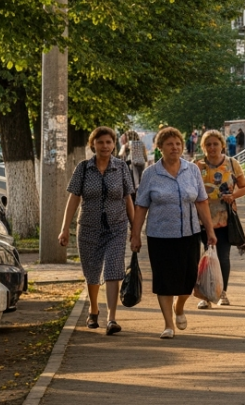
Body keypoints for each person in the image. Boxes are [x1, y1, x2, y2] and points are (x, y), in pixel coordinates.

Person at [130, 127, 217, 339]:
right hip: (160, 236)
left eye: (178, 144)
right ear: (160, 148)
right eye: (169, 144)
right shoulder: (151, 174)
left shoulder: (192, 170)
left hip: (189, 234)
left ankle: (179, 307)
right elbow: (141, 206)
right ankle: (168, 324)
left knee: (189, 280)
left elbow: (201, 201)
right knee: (164, 280)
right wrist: (135, 235)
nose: (175, 148)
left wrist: (210, 230)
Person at [58, 127, 135, 336]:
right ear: (93, 145)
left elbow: (128, 198)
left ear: (114, 144)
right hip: (88, 228)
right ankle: (93, 309)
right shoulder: (83, 168)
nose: (105, 146)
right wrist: (64, 229)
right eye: (100, 142)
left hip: (116, 227)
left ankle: (112, 318)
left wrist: (135, 229)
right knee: (91, 272)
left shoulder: (121, 167)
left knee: (112, 270)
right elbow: (73, 199)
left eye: (109, 142)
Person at [195, 129, 245, 308]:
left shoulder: (232, 163)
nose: (212, 147)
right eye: (208, 144)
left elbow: (244, 187)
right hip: (202, 218)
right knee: (206, 256)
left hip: (225, 218)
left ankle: (221, 293)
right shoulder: (197, 166)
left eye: (215, 144)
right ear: (203, 147)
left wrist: (233, 196)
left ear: (222, 145)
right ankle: (205, 295)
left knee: (223, 256)